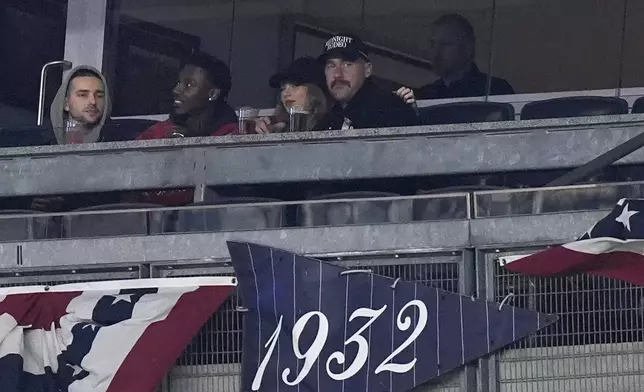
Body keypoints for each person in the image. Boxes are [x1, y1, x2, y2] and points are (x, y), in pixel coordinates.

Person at [314, 34, 418, 131]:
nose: (337, 74)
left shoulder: (391, 110)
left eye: (347, 64)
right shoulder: (328, 121)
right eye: (331, 66)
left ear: (367, 70)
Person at [137, 52, 238, 140]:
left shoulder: (235, 136)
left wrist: (193, 144)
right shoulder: (158, 132)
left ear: (213, 94)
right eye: (178, 83)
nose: (176, 90)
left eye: (189, 85)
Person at [413, 14, 514, 100]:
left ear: (468, 49)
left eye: (446, 44)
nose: (436, 52)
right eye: (433, 44)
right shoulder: (426, 95)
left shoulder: (495, 89)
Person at [255, 57, 329, 133]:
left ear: (315, 90)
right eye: (283, 88)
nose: (286, 94)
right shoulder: (280, 128)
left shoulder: (333, 126)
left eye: (294, 86)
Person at [50, 66, 111, 144]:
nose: (93, 102)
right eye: (83, 95)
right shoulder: (43, 141)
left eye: (99, 96)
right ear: (66, 104)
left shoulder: (120, 141)